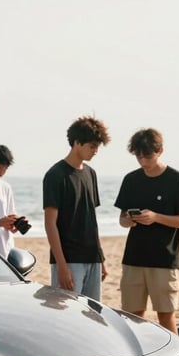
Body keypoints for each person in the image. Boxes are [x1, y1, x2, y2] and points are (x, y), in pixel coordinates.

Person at [114, 128, 179, 334]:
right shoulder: (131, 180)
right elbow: (122, 220)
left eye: (147, 155)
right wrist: (128, 220)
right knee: (132, 317)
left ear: (160, 151)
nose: (142, 160)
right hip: (133, 257)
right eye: (138, 155)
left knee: (166, 316)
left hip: (164, 259)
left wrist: (156, 217)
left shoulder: (177, 180)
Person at [42, 116, 110, 300]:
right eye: (92, 146)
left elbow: (91, 219)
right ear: (77, 142)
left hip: (92, 258)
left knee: (93, 317)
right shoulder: (56, 175)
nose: (95, 151)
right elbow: (50, 223)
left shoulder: (90, 173)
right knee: (65, 317)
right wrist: (62, 265)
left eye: (97, 146)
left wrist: (100, 258)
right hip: (70, 260)